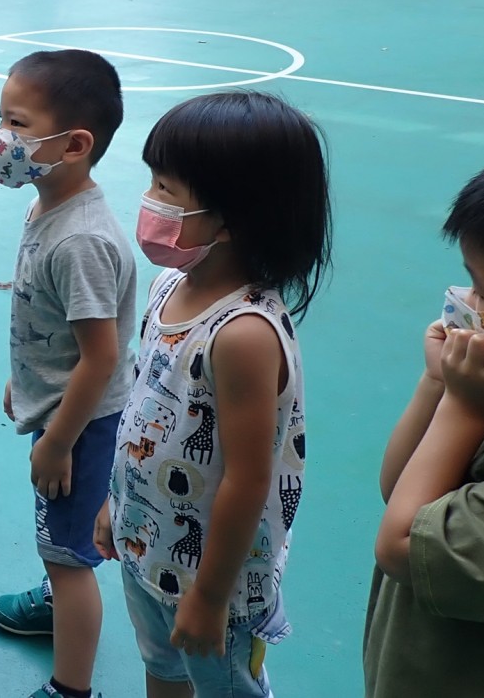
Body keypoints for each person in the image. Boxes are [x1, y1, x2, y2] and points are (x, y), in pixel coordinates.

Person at [94, 91, 331, 698]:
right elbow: (147, 405)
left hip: (214, 585)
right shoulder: (170, 284)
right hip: (149, 546)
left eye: (166, 188)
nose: (150, 199)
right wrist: (117, 504)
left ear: (233, 219)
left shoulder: (243, 334)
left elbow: (248, 479)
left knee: (223, 686)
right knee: (163, 669)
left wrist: (209, 596)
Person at [365, 140, 484, 697]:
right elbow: (401, 491)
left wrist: (464, 408)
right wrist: (440, 385)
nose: (469, 303)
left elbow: (402, 545)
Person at [0, 49, 137, 698]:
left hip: (82, 426)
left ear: (75, 145)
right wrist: (26, 376)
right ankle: (54, 601)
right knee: (61, 543)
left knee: (70, 558)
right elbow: (55, 323)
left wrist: (57, 442)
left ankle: (70, 688)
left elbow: (101, 357)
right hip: (62, 406)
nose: (2, 139)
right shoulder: (46, 204)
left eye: (17, 125)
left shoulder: (80, 241)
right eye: (1, 119)